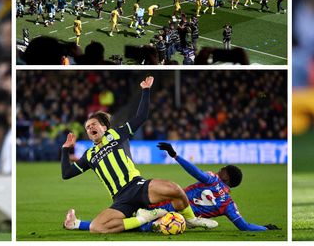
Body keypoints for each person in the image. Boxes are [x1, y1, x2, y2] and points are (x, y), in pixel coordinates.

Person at [60, 76, 217, 233]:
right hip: (120, 199)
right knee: (96, 227)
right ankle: (145, 218)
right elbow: (66, 174)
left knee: (174, 189)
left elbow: (141, 117)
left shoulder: (117, 134)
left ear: (104, 127)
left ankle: (191, 219)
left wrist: (146, 90)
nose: (90, 128)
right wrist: (65, 149)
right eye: (87, 127)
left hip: (138, 186)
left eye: (93, 124)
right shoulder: (89, 155)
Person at [70, 142, 281, 232]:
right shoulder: (229, 205)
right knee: (134, 222)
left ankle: (78, 224)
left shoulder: (213, 179)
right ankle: (188, 222)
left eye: (224, 169)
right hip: (181, 218)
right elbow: (244, 226)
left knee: (130, 221)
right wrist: (265, 228)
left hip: (165, 207)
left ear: (227, 176)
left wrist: (175, 155)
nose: (220, 168)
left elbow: (195, 173)